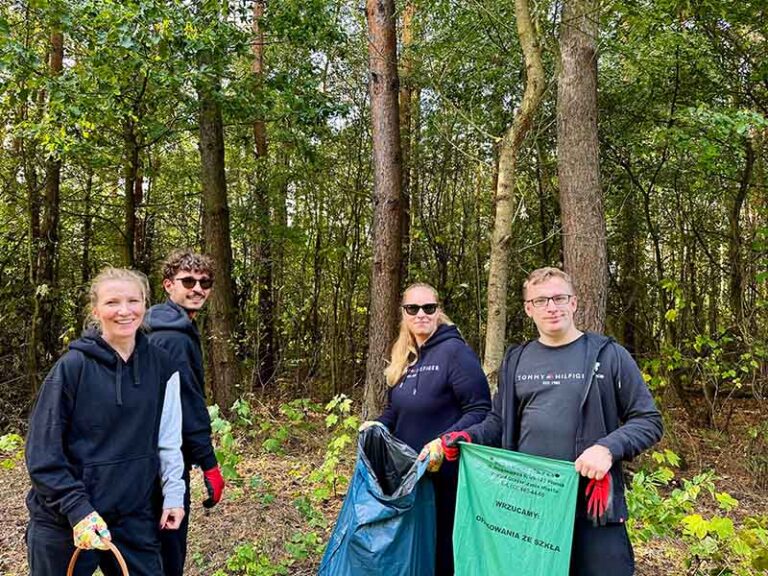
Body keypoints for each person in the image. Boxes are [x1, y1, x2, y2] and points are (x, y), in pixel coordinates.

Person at [439, 267, 663, 576]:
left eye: (559, 298)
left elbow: (648, 420)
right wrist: (470, 437)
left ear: (574, 303)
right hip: (531, 507)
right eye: (541, 300)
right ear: (529, 309)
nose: (552, 307)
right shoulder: (516, 359)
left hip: (592, 506)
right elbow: (499, 422)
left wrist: (608, 449)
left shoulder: (609, 355)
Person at [25, 267, 185, 576]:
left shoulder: (163, 365)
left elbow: (168, 441)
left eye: (133, 301)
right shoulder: (72, 368)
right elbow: (42, 455)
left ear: (145, 304)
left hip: (132, 517)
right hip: (66, 520)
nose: (124, 311)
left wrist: (174, 496)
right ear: (96, 310)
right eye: (112, 302)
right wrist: (77, 510)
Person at [361, 282, 491, 576]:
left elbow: (481, 409)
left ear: (438, 311)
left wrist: (443, 442)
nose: (421, 314)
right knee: (415, 549)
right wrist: (377, 424)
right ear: (404, 314)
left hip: (445, 473)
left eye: (428, 308)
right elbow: (396, 410)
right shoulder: (405, 356)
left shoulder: (455, 353)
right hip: (410, 475)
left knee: (443, 549)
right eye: (413, 308)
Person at [146, 249, 225, 576]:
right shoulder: (174, 338)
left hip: (147, 453)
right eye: (188, 281)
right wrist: (208, 462)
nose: (198, 289)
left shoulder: (162, 326)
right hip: (164, 458)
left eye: (204, 282)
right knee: (168, 549)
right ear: (168, 285)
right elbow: (187, 404)